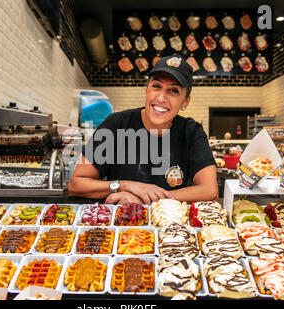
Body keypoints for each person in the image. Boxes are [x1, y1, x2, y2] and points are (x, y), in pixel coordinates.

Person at [68, 54, 218, 204]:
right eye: (156, 86)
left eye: (174, 91)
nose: (161, 98)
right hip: (120, 223)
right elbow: (76, 184)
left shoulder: (191, 132)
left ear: (185, 101)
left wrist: (147, 200)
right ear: (146, 90)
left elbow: (210, 191)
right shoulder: (117, 124)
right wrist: (126, 185)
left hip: (170, 224)